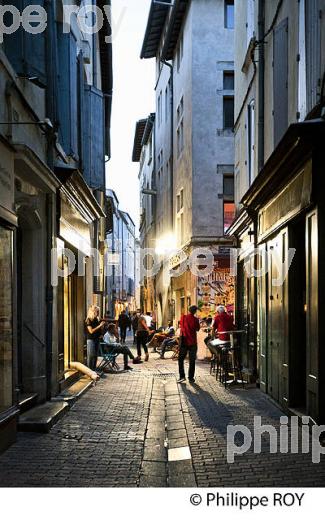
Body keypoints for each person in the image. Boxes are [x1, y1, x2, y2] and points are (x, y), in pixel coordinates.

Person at [178, 305, 200, 383]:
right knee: (192, 360)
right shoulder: (196, 320)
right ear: (195, 312)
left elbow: (181, 325)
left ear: (189, 310)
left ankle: (182, 376)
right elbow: (197, 329)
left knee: (180, 359)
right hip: (193, 342)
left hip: (184, 341)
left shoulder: (183, 317)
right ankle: (191, 377)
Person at [85, 305, 105, 371]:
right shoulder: (88, 320)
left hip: (97, 339)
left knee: (95, 355)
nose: (98, 313)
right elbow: (91, 331)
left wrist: (101, 329)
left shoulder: (97, 319)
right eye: (97, 311)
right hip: (91, 339)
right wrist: (100, 326)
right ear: (93, 312)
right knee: (91, 355)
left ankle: (94, 369)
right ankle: (89, 370)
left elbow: (98, 330)